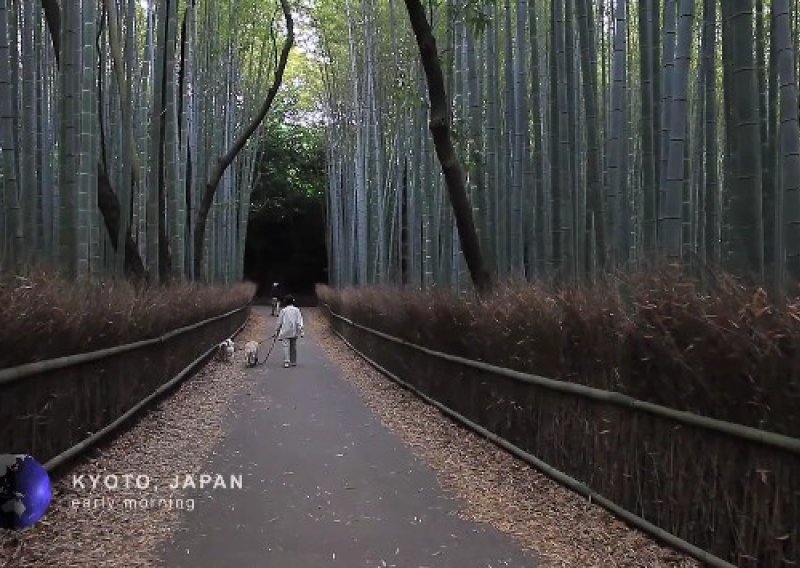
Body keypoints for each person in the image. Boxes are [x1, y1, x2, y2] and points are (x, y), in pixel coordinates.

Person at [273, 295, 304, 368]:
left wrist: (276, 331)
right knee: (293, 346)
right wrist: (301, 331)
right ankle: (293, 361)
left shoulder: (283, 311)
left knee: (285, 346)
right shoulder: (297, 310)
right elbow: (299, 321)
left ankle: (286, 362)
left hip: (285, 331)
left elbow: (279, 322)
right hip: (294, 331)